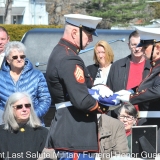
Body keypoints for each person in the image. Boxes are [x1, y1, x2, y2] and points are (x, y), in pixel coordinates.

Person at [46, 14, 114, 160]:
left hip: (71, 134)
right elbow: (82, 100)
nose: (91, 39)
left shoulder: (62, 52)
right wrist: (107, 106)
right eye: (88, 34)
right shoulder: (69, 58)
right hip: (74, 134)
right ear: (75, 32)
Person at [116, 27, 160, 159]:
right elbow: (149, 88)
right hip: (149, 130)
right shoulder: (157, 67)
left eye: (145, 46)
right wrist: (129, 91)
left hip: (159, 133)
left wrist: (131, 97)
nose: (141, 49)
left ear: (157, 48)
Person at [0, 41, 51, 125]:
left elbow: (45, 100)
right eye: (15, 57)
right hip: (7, 124)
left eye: (22, 56)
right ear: (8, 60)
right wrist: (9, 115)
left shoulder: (37, 75)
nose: (19, 59)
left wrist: (31, 115)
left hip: (32, 124)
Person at [0, 92, 48, 159]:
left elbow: (49, 157)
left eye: (27, 105)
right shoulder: (0, 131)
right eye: (19, 106)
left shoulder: (42, 132)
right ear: (11, 109)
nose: (24, 109)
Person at [106, 30, 151, 118]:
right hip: (121, 118)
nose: (137, 48)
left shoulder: (152, 67)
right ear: (128, 45)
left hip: (144, 118)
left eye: (140, 44)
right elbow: (109, 93)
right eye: (134, 45)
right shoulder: (117, 66)